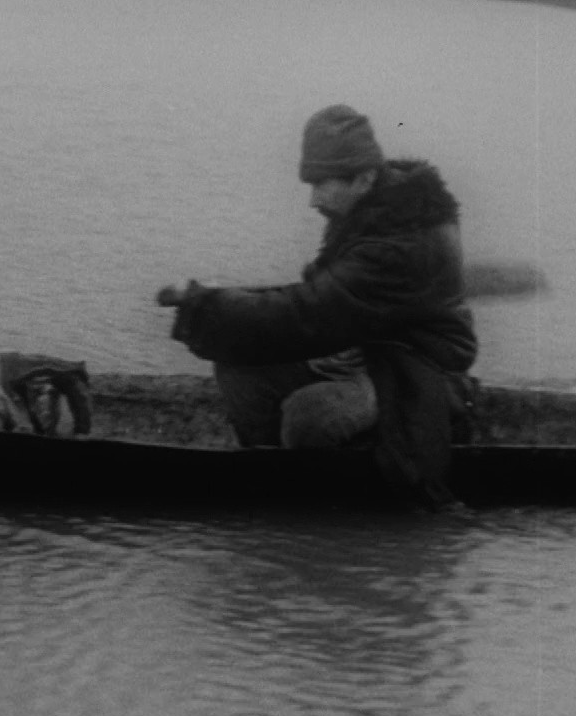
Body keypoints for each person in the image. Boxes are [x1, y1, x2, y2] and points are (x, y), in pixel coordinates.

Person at [157, 104, 477, 508]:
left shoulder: (398, 244)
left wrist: (204, 304)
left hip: (419, 375)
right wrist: (218, 299)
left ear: (362, 178)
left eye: (321, 185)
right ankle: (277, 488)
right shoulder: (376, 207)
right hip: (365, 354)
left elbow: (308, 314)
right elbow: (323, 296)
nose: (312, 201)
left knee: (310, 416)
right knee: (241, 370)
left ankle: (331, 502)